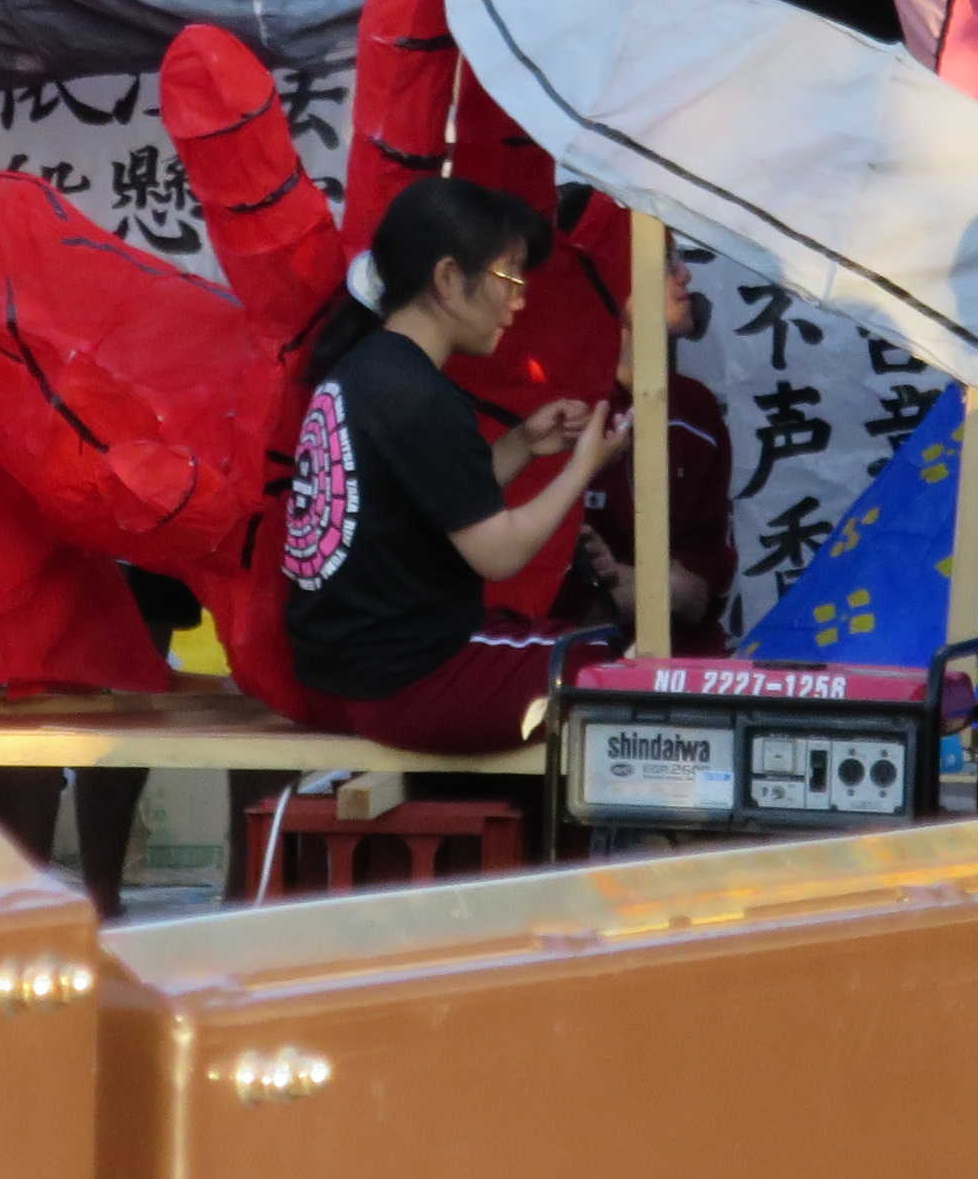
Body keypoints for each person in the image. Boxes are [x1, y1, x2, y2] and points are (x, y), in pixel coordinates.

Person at [281, 176, 629, 755]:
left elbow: (436, 496)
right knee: (618, 668)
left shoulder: (369, 369)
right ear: (446, 279)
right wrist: (582, 468)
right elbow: (498, 553)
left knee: (567, 643)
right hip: (411, 683)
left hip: (348, 678)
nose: (519, 300)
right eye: (509, 278)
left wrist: (522, 443)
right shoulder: (417, 394)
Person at [559, 245, 737, 654]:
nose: (685, 275)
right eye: (664, 263)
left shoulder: (695, 408)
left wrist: (637, 585)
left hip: (684, 661)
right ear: (611, 281)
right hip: (568, 660)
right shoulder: (559, 410)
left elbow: (703, 585)